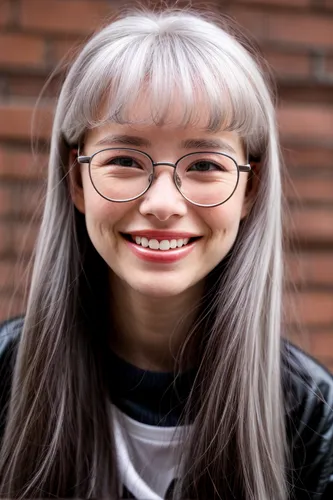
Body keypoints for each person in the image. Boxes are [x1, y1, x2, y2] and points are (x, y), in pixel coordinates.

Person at [0, 6, 332, 500]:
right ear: (77, 179)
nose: (161, 204)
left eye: (203, 163)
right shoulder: (5, 376)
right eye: (124, 160)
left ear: (249, 189)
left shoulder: (312, 419)